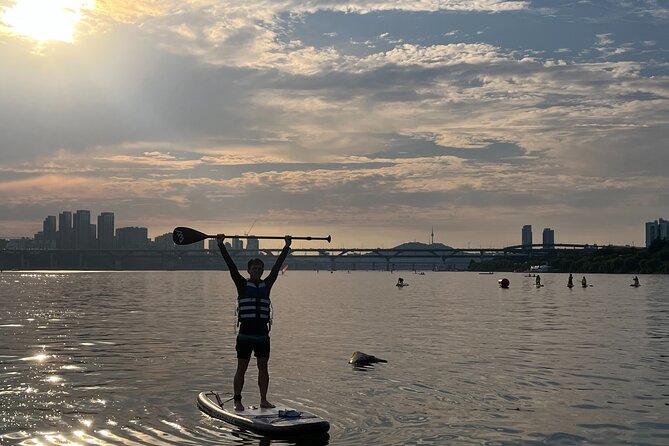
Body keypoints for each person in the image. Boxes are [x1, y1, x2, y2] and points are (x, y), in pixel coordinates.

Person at [217, 234, 292, 411]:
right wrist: (221, 245)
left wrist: (286, 246)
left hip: (262, 335)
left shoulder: (267, 284)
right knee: (241, 367)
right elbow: (231, 266)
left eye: (260, 268)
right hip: (245, 334)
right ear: (249, 270)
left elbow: (276, 267)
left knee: (263, 367)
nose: (257, 271)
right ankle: (237, 401)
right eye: (254, 268)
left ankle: (264, 400)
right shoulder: (241, 284)